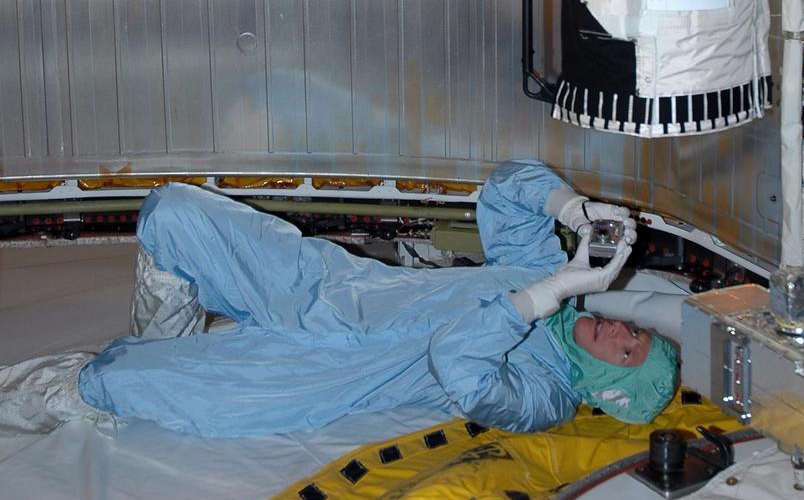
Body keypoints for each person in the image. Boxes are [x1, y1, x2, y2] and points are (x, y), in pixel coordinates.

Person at [0, 161, 677, 438]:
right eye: (635, 336)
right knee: (174, 212)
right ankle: (170, 340)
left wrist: (548, 292)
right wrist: (575, 206)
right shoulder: (543, 272)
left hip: (319, 372)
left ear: (609, 393)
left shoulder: (546, 398)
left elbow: (462, 369)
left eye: (626, 355)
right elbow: (505, 189)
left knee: (118, 382)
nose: (620, 337)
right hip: (324, 288)